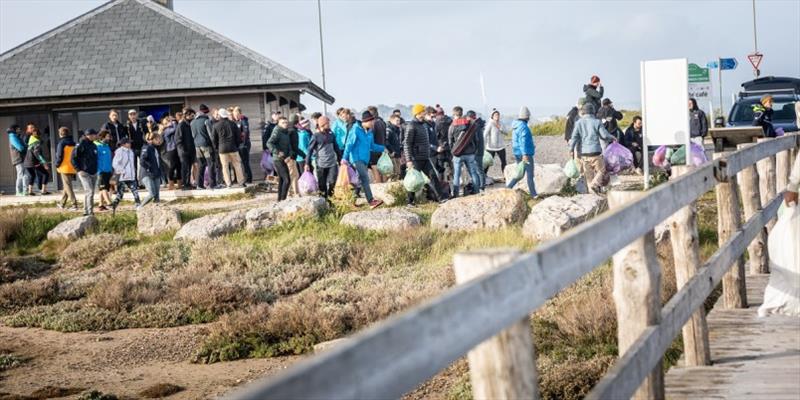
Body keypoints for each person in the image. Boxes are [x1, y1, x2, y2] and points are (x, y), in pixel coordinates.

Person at [569, 103, 615, 194]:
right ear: (593, 111)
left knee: (589, 176)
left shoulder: (578, 123)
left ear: (584, 112)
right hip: (596, 152)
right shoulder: (597, 122)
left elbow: (574, 137)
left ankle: (592, 195)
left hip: (584, 154)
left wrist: (571, 149)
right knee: (601, 171)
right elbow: (604, 135)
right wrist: (612, 137)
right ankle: (595, 185)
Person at [342, 111, 385, 208]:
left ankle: (350, 201)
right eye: (371, 121)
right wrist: (344, 158)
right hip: (356, 159)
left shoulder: (369, 132)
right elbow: (349, 144)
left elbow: (372, 146)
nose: (372, 123)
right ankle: (371, 201)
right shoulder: (355, 129)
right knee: (365, 178)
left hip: (365, 160)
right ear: (365, 121)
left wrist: (383, 148)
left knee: (358, 181)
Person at [404, 104, 443, 206]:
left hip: (425, 157)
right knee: (413, 180)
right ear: (418, 113)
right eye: (423, 112)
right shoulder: (411, 125)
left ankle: (441, 198)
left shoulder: (423, 124)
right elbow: (407, 143)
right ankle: (410, 202)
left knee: (433, 177)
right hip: (415, 158)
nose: (425, 113)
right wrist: (408, 160)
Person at [448, 109, 482, 197]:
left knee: (457, 174)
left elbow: (450, 140)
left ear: (454, 114)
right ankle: (476, 191)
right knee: (473, 173)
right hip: (470, 153)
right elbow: (476, 139)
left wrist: (453, 151)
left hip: (458, 154)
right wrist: (474, 150)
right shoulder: (469, 124)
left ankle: (455, 194)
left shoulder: (453, 125)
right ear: (462, 113)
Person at [506, 106, 537, 197]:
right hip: (525, 154)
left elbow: (516, 141)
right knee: (530, 174)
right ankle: (533, 195)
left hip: (517, 153)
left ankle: (508, 188)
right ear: (527, 117)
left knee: (520, 173)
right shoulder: (524, 127)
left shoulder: (515, 126)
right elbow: (523, 142)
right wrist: (525, 154)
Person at [212, 108, 246, 188]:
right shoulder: (233, 124)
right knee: (237, 165)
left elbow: (214, 139)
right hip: (233, 147)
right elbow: (238, 136)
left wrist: (217, 148)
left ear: (220, 115)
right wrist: (237, 145)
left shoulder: (216, 125)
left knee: (225, 166)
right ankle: (241, 182)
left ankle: (228, 183)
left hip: (222, 149)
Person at [307, 116, 339, 198]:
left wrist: (340, 159)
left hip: (332, 163)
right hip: (321, 164)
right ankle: (323, 201)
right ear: (322, 125)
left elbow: (336, 148)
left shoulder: (331, 135)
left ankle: (330, 200)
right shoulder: (316, 136)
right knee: (322, 184)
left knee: (332, 182)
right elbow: (309, 150)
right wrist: (307, 163)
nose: (329, 125)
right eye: (327, 123)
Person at [110, 138, 141, 215]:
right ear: (123, 144)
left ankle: (138, 206)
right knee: (120, 195)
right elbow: (115, 163)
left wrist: (134, 174)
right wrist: (123, 171)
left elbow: (131, 164)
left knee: (135, 191)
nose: (130, 144)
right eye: (128, 143)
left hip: (131, 177)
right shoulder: (119, 151)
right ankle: (113, 206)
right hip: (122, 177)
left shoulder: (131, 152)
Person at [72, 129, 99, 216]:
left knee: (90, 192)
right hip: (84, 172)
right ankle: (88, 212)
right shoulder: (80, 145)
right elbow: (73, 158)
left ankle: (87, 211)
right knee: (89, 191)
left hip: (93, 172)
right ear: (89, 135)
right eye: (94, 135)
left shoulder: (94, 145)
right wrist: (78, 170)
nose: (96, 136)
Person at [191, 104, 217, 189]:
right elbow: (211, 135)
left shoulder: (192, 122)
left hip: (196, 146)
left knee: (201, 165)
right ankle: (213, 184)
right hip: (206, 146)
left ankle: (199, 184)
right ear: (205, 113)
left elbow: (193, 135)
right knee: (211, 164)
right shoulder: (206, 121)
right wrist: (214, 145)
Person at [267, 116, 292, 200]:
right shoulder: (277, 131)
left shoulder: (285, 132)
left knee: (282, 179)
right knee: (287, 180)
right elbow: (269, 143)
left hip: (284, 158)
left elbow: (288, 146)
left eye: (286, 122)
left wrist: (289, 155)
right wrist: (277, 152)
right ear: (279, 123)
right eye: (283, 123)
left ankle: (279, 200)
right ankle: (283, 199)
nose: (285, 124)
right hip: (277, 159)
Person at [54, 127, 78, 210]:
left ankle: (74, 204)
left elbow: (59, 156)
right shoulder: (74, 143)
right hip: (72, 167)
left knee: (68, 186)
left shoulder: (61, 143)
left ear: (60, 134)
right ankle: (62, 203)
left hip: (64, 167)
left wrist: (56, 164)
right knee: (66, 186)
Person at [23, 126, 50, 195]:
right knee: (46, 174)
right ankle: (43, 191)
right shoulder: (36, 142)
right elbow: (37, 153)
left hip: (27, 162)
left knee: (32, 175)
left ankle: (30, 191)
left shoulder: (30, 141)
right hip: (33, 162)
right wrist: (44, 163)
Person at [175, 108, 197, 190]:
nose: (193, 116)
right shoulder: (181, 125)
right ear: (187, 115)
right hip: (184, 151)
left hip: (191, 150)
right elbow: (178, 139)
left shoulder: (190, 124)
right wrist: (183, 150)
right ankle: (185, 184)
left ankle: (188, 183)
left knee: (189, 167)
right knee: (185, 168)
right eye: (191, 115)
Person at [140, 132, 162, 206]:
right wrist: (148, 168)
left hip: (156, 174)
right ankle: (140, 207)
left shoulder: (155, 148)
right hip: (148, 174)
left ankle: (156, 210)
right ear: (153, 139)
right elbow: (142, 160)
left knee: (157, 196)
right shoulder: (147, 147)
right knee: (152, 194)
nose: (159, 141)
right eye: (158, 139)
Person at [286, 114, 306, 196]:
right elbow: (294, 147)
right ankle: (294, 193)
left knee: (292, 174)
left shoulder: (287, 129)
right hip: (290, 156)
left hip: (286, 156)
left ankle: (291, 192)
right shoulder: (293, 132)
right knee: (294, 175)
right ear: (296, 123)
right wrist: (304, 155)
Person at [467, 110, 486, 191]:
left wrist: (473, 150)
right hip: (480, 150)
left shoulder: (475, 126)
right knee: (479, 169)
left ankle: (481, 186)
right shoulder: (478, 125)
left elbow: (476, 140)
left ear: (470, 117)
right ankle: (481, 185)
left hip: (477, 151)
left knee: (478, 170)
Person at [368, 106, 388, 183]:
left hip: (374, 149)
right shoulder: (382, 122)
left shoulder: (373, 124)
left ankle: (379, 186)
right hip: (382, 147)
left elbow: (371, 137)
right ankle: (385, 186)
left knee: (375, 168)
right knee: (383, 169)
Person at [233, 106, 252, 184]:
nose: (235, 116)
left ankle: (248, 179)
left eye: (237, 114)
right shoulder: (236, 121)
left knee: (245, 162)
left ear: (240, 113)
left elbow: (246, 132)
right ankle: (239, 178)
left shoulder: (243, 121)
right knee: (238, 163)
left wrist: (243, 143)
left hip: (244, 144)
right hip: (238, 144)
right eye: (234, 114)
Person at [484, 109, 507, 174]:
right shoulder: (490, 124)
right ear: (492, 116)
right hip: (491, 147)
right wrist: (484, 146)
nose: (497, 116)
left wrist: (500, 128)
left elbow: (506, 132)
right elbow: (484, 135)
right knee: (487, 162)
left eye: (498, 115)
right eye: (495, 115)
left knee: (504, 162)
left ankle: (505, 176)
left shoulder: (501, 123)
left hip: (501, 147)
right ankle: (483, 176)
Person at [95, 130, 114, 210]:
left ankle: (101, 205)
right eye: (108, 136)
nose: (109, 138)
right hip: (101, 171)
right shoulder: (97, 146)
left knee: (104, 188)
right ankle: (110, 203)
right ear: (103, 136)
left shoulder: (107, 146)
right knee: (103, 188)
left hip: (108, 170)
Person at [434, 107, 453, 183]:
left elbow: (436, 136)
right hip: (450, 147)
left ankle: (441, 185)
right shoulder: (450, 121)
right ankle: (453, 185)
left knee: (441, 169)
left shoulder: (437, 123)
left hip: (440, 147)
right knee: (451, 167)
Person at [7, 124, 27, 196]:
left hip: (20, 158)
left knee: (23, 174)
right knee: (21, 174)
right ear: (14, 129)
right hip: (18, 158)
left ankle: (24, 191)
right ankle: (18, 191)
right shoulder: (13, 136)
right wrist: (25, 148)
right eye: (18, 129)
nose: (19, 130)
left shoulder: (16, 136)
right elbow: (20, 147)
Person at [161, 115, 180, 190]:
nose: (170, 123)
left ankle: (179, 184)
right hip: (171, 149)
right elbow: (175, 129)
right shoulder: (166, 130)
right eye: (168, 122)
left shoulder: (172, 127)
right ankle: (171, 184)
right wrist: (174, 122)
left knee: (179, 166)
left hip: (176, 149)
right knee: (172, 167)